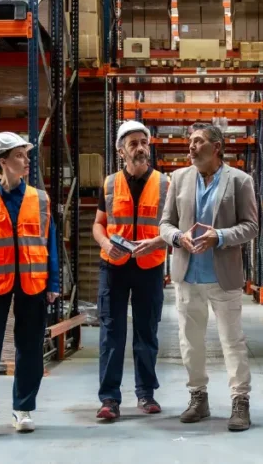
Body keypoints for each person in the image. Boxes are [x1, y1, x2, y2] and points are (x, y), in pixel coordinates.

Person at [159, 122, 259, 432]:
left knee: (232, 342)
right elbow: (165, 223)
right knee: (190, 342)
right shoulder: (178, 179)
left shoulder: (240, 181)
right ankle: (198, 397)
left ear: (216, 147)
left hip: (223, 276)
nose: (190, 147)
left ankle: (240, 402)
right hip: (187, 275)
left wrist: (221, 236)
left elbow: (251, 226)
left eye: (198, 141)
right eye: (190, 141)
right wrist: (177, 238)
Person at [0, 132, 60, 442]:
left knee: (30, 347)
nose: (26, 161)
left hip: (33, 282)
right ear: (2, 162)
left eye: (26, 155)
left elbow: (51, 243)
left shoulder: (40, 199)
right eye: (20, 155)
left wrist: (54, 282)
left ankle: (23, 409)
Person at [92, 121, 168, 421]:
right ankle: (109, 398)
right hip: (114, 267)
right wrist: (105, 243)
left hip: (149, 266)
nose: (140, 148)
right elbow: (98, 224)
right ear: (120, 150)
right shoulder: (110, 183)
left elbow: (172, 227)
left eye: (144, 143)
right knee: (112, 333)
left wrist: (157, 242)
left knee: (146, 332)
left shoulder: (165, 184)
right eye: (134, 143)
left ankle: (146, 393)